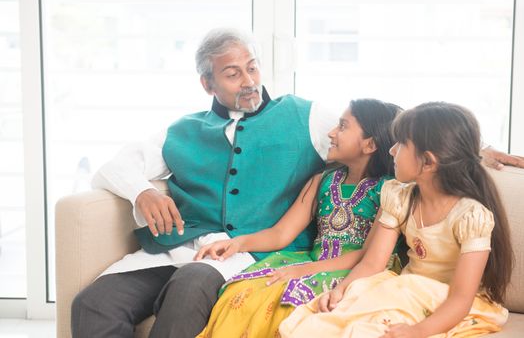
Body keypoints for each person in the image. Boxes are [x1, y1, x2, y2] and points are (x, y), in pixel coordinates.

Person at [70, 27, 522, 338]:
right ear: (207, 82)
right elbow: (115, 166)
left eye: (252, 67)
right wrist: (144, 190)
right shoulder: (182, 129)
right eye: (233, 74)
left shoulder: (306, 117)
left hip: (245, 253)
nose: (248, 81)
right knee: (92, 305)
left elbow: (392, 125)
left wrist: (473, 151)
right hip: (176, 247)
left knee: (191, 284)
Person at [279, 102, 514, 338]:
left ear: (428, 162)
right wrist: (341, 290)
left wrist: (417, 331)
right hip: (406, 289)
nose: (391, 150)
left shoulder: (471, 217)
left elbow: (460, 299)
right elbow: (372, 264)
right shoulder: (400, 198)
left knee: (370, 322)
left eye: (401, 144)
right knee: (333, 316)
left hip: (448, 302)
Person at [195, 99, 404, 338]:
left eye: (343, 126)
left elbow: (368, 256)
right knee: (246, 289)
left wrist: (305, 270)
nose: (331, 133)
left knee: (294, 299)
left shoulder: (390, 190)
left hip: (360, 272)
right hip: (312, 261)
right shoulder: (322, 181)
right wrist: (237, 243)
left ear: (370, 144)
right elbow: (281, 233)